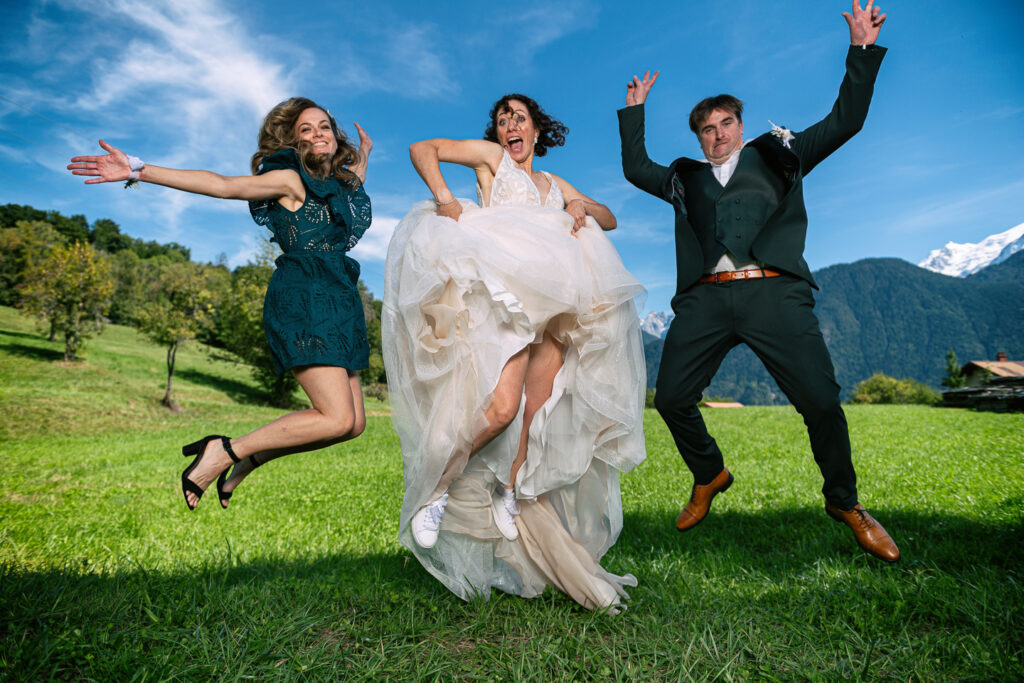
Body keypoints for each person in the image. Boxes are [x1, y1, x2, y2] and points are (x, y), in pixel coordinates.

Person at [618, 0, 899, 562]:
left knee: (820, 400)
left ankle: (846, 503)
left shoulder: (782, 154)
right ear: (699, 138)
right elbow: (634, 167)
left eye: (725, 124)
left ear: (740, 127)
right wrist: (635, 112)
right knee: (672, 398)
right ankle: (709, 474)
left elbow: (846, 119)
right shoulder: (684, 177)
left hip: (774, 292)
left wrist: (861, 50)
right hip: (705, 301)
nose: (717, 135)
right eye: (707, 129)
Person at [383, 94, 647, 611]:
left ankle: (509, 486)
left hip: (554, 309)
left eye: (518, 117)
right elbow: (422, 148)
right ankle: (437, 491)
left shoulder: (552, 183)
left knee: (533, 410)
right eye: (502, 117)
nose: (509, 124)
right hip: (506, 302)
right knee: (502, 408)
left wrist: (579, 205)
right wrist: (443, 198)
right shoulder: (492, 159)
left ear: (536, 130)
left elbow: (609, 218)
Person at [68, 97, 374, 512]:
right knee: (335, 417)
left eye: (325, 127)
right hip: (305, 301)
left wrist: (364, 156)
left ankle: (247, 459)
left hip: (340, 301)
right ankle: (223, 450)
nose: (318, 133)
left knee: (352, 426)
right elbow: (222, 185)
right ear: (293, 140)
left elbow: (350, 184)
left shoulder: (338, 189)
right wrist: (139, 168)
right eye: (307, 129)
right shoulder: (288, 181)